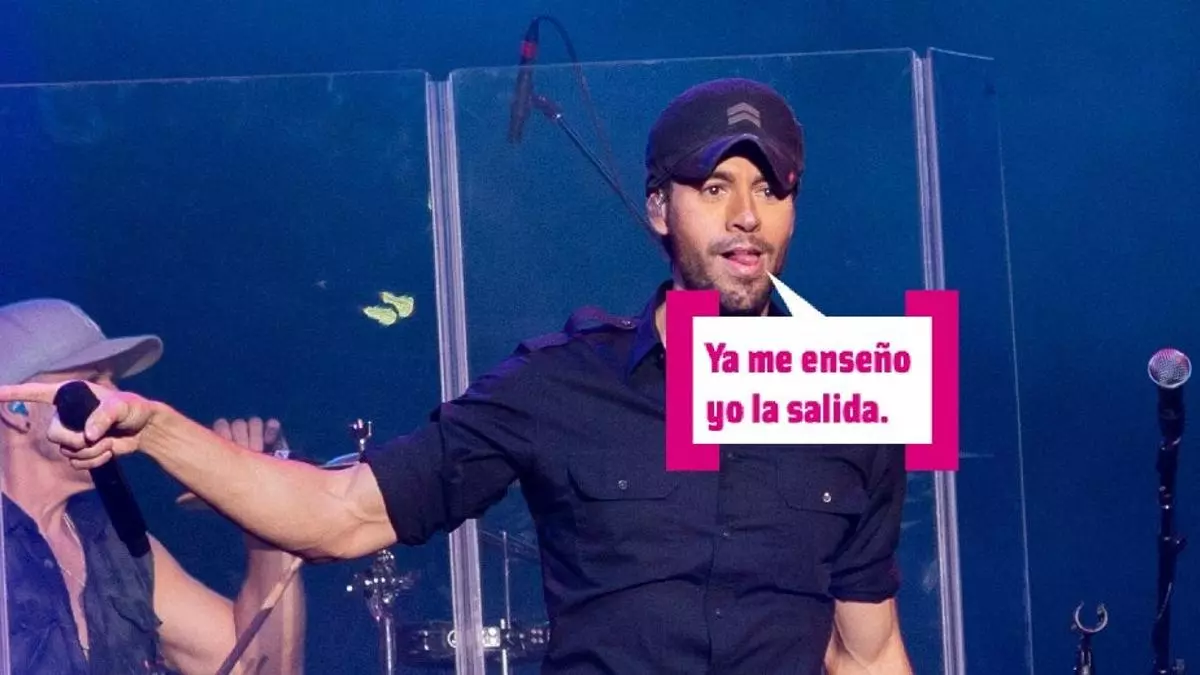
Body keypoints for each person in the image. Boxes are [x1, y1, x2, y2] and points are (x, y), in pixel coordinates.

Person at [1, 78, 912, 674]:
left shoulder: (854, 391)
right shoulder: (562, 385)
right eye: (715, 187)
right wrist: (157, 427)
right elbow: (340, 512)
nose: (747, 215)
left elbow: (866, 653)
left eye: (772, 189)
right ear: (657, 209)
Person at [0, 298, 306, 675]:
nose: (117, 399)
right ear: (17, 408)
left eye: (114, 382)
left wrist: (264, 506)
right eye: (93, 381)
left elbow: (261, 669)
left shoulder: (117, 547)